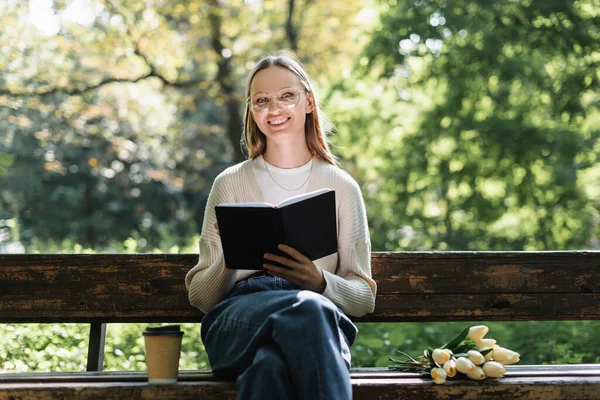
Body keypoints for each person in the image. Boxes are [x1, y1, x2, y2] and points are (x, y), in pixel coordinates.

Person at [185, 50, 376, 400]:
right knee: (309, 310)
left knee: (268, 369)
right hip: (237, 320)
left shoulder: (341, 186)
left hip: (314, 326)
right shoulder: (229, 183)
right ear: (251, 111)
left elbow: (364, 298)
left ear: (308, 101)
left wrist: (319, 281)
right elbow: (201, 298)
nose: (274, 109)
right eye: (261, 101)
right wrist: (230, 259)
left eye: (286, 96)